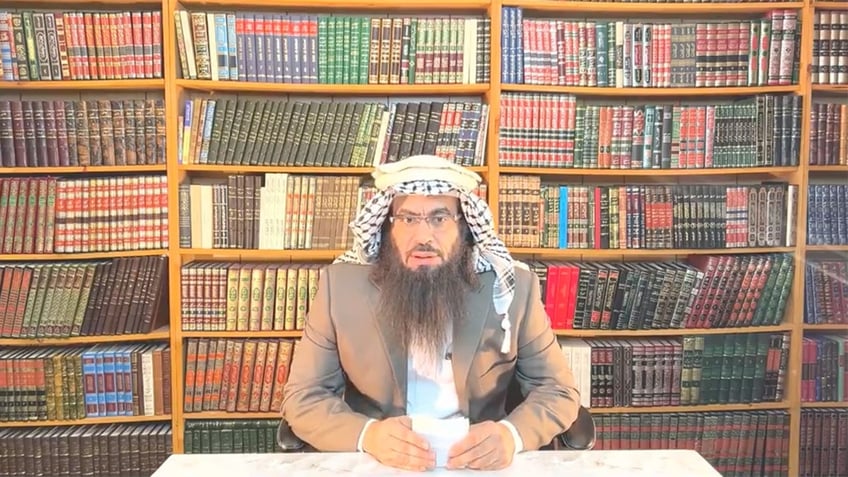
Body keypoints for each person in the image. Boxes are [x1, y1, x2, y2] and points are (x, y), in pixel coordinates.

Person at [280, 154, 581, 472]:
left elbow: (558, 390)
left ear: (464, 229)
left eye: (439, 219)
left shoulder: (513, 288)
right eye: (408, 219)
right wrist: (368, 436)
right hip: (381, 462)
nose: (423, 237)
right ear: (387, 228)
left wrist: (511, 436)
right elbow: (304, 396)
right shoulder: (340, 288)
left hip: (479, 462)